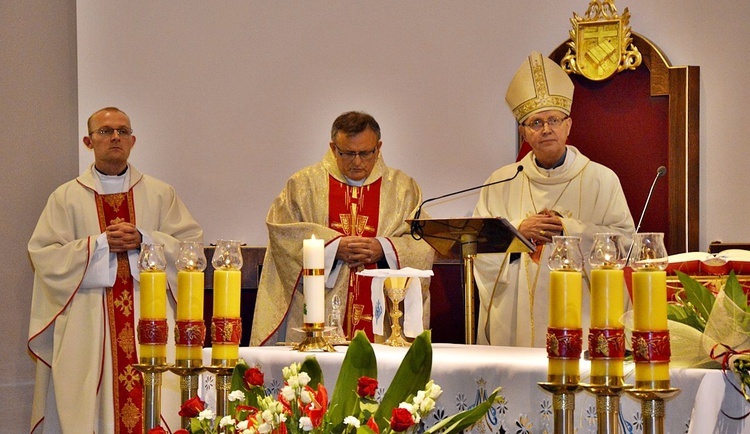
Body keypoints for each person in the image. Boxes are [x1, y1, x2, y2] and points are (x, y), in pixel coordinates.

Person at [27, 107, 203, 433]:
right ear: (88, 141)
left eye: (122, 131)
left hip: (148, 325)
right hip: (88, 326)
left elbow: (190, 251)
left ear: (133, 141)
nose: (115, 137)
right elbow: (45, 257)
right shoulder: (66, 198)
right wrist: (99, 245)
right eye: (106, 132)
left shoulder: (161, 194)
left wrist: (145, 240)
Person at [473, 52, 635, 347]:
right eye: (535, 122)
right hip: (516, 326)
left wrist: (568, 230)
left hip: (584, 323)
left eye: (553, 120)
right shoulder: (500, 182)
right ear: (523, 132)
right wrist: (517, 234)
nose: (546, 129)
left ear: (568, 126)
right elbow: (477, 251)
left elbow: (627, 247)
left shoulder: (601, 179)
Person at [251, 111, 435, 346]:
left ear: (378, 148)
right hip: (320, 319)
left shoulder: (403, 189)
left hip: (383, 322)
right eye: (348, 153)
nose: (357, 161)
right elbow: (282, 236)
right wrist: (333, 247)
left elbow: (424, 242)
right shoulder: (303, 185)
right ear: (332, 148)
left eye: (365, 153)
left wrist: (384, 248)